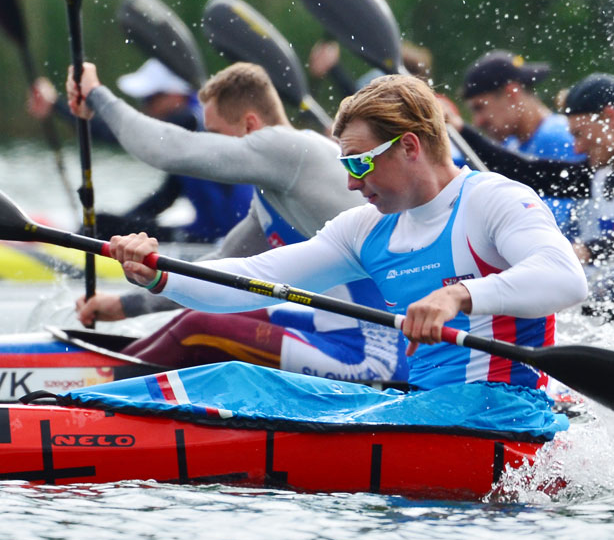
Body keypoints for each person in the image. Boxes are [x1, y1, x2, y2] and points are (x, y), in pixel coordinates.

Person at [107, 75, 588, 389]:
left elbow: (566, 278)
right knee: (239, 383)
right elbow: (252, 278)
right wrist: (158, 275)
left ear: (411, 147)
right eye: (345, 165)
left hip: (504, 418)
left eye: (360, 162)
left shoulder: (491, 200)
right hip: (425, 410)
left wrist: (457, 297)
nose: (352, 182)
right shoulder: (365, 229)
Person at [67, 60, 405, 382]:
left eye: (214, 134)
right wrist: (124, 306)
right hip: (341, 332)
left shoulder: (289, 148)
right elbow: (215, 273)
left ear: (251, 126)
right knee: (202, 313)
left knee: (200, 329)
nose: (211, 147)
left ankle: (86, 387)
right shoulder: (275, 192)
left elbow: (168, 150)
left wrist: (97, 94)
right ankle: (96, 372)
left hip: (378, 352)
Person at [449, 73, 614, 308]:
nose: (577, 148)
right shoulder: (599, 174)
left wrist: (586, 250)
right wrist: (460, 130)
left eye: (580, 134)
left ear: (611, 117)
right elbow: (525, 171)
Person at [35, 58, 253, 242]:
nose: (144, 107)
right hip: (208, 233)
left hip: (224, 240)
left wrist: (57, 105)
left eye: (149, 98)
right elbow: (164, 198)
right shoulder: (190, 131)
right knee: (104, 223)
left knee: (102, 223)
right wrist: (120, 228)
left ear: (175, 95)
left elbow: (116, 134)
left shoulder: (189, 121)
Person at [460, 50, 582, 233]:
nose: (478, 121)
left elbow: (552, 226)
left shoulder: (560, 136)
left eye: (480, 107)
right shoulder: (511, 144)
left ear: (512, 92)